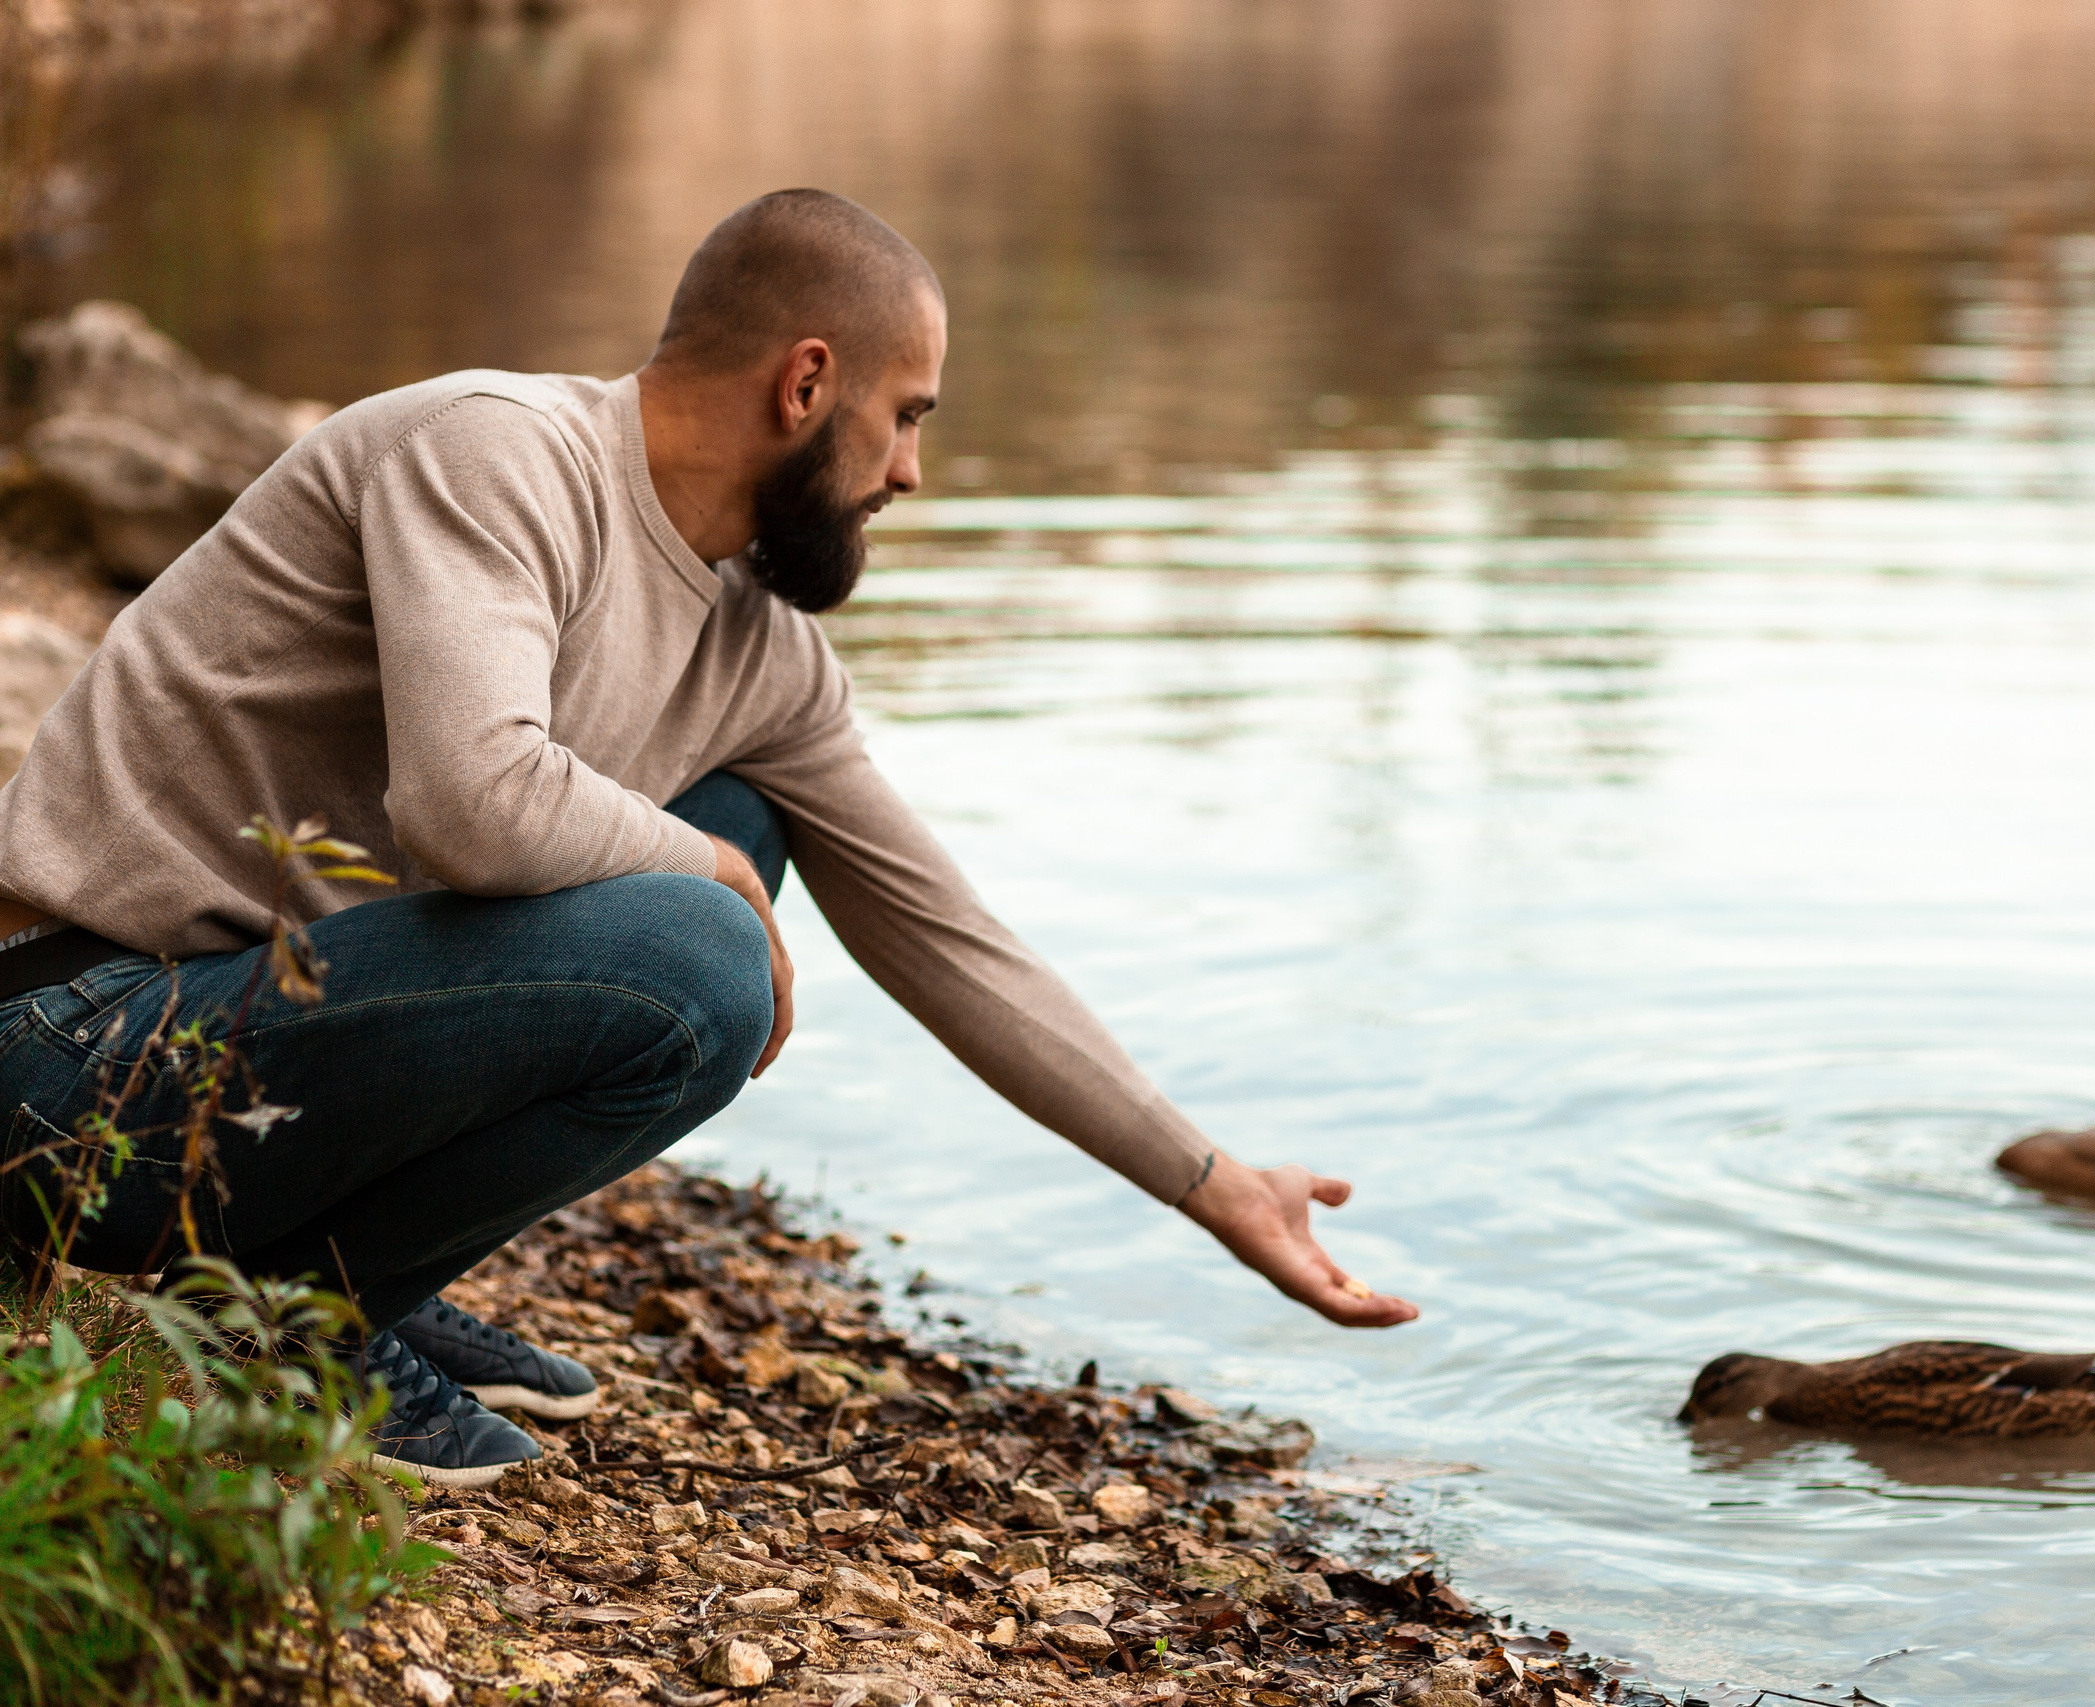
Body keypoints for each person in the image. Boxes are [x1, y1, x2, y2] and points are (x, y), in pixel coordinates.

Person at [0, 189, 1418, 1488]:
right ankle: (287, 1328)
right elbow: (470, 802)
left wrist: (1215, 1185)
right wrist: (719, 881)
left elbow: (945, 937)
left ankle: (340, 1278)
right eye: (906, 416)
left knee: (741, 822)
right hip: (70, 1051)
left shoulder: (760, 652)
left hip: (260, 1062)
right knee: (703, 939)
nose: (912, 471)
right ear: (807, 384)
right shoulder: (496, 453)